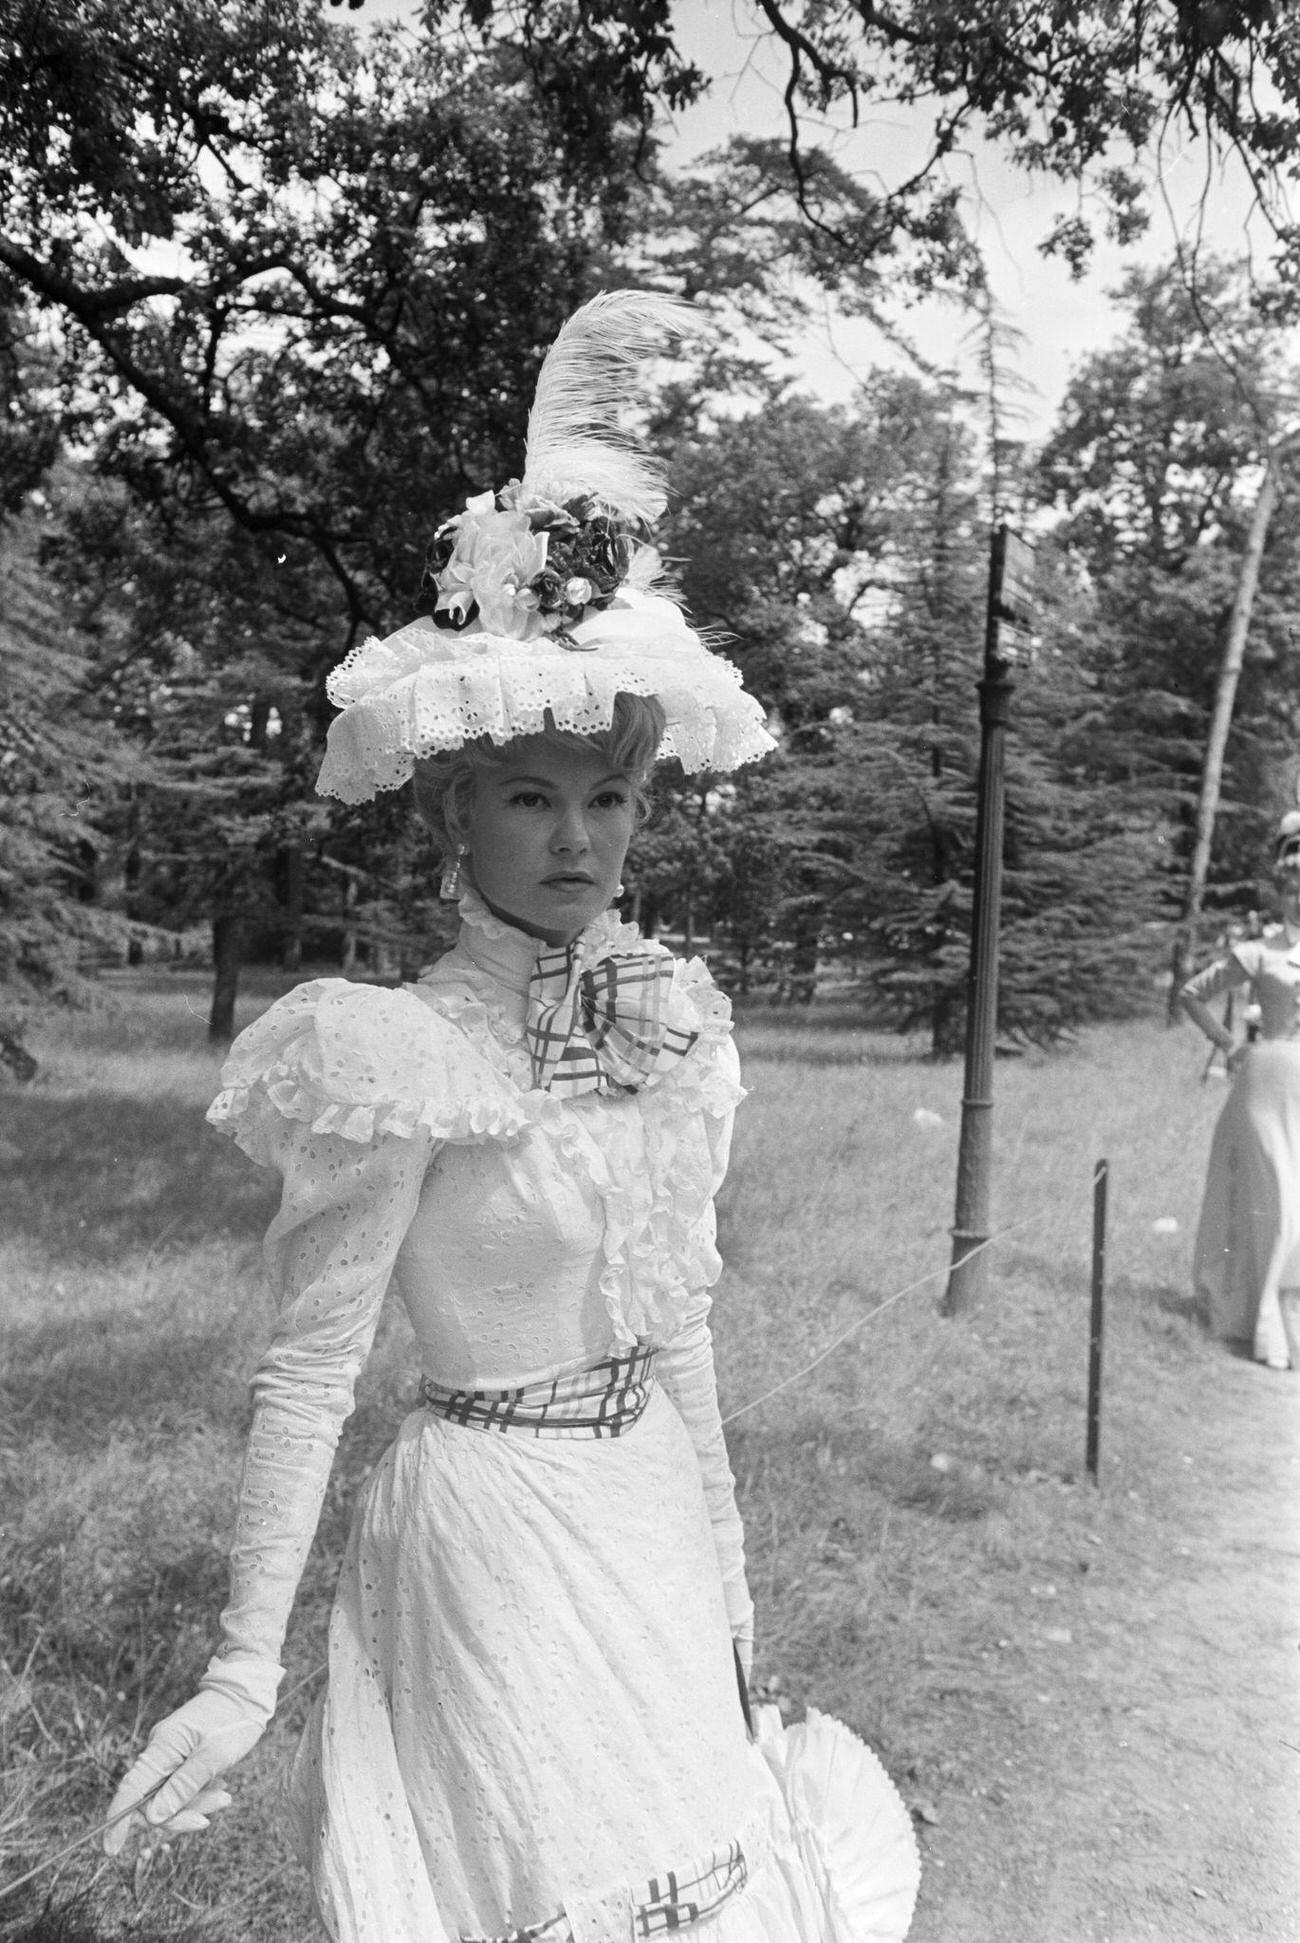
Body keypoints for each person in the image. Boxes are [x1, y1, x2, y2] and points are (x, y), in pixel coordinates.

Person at [103, 293, 919, 1943]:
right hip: (486, 1535)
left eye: (607, 797)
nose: (578, 840)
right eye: (532, 798)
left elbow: (679, 1333)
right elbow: (313, 1371)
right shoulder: (396, 1049)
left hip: (646, 1517)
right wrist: (243, 1671)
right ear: (454, 814)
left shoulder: (672, 1022)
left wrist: (737, 1612)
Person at [1181, 809, 1300, 1371]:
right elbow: (1192, 993)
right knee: (1276, 1202)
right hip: (1265, 1085)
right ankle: (1262, 1320)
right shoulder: (1260, 952)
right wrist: (1229, 1045)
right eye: (1294, 885)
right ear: (1282, 891)